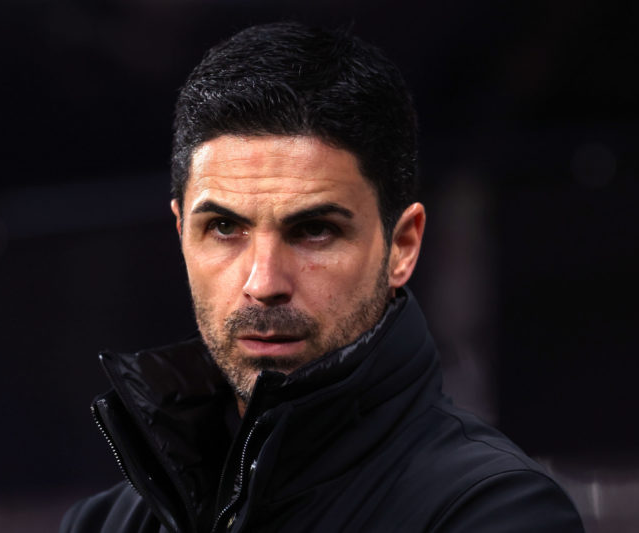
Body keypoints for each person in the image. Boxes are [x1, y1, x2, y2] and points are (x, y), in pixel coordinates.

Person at [60, 22, 584, 533]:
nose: (264, 282)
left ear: (402, 246)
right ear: (181, 234)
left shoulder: (497, 511)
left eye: (314, 230)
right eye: (224, 227)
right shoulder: (104, 523)